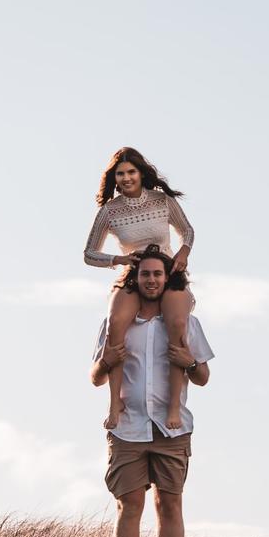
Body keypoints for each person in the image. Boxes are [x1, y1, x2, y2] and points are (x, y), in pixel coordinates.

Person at [90, 245, 214, 537]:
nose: (152, 280)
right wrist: (105, 361)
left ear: (167, 277)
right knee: (128, 505)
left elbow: (203, 376)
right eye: (145, 274)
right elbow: (96, 376)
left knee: (169, 504)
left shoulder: (186, 324)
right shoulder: (116, 323)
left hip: (172, 429)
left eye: (158, 274)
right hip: (128, 428)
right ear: (136, 277)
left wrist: (189, 361)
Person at [84, 147, 195, 432]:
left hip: (167, 271)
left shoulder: (162, 200)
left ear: (140, 173)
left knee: (178, 322)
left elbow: (188, 231)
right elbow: (89, 254)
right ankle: (114, 402)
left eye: (131, 172)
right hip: (134, 273)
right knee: (116, 323)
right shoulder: (110, 211)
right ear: (114, 178)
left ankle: (173, 405)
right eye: (120, 174)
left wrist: (183, 253)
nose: (126, 178)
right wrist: (118, 259)